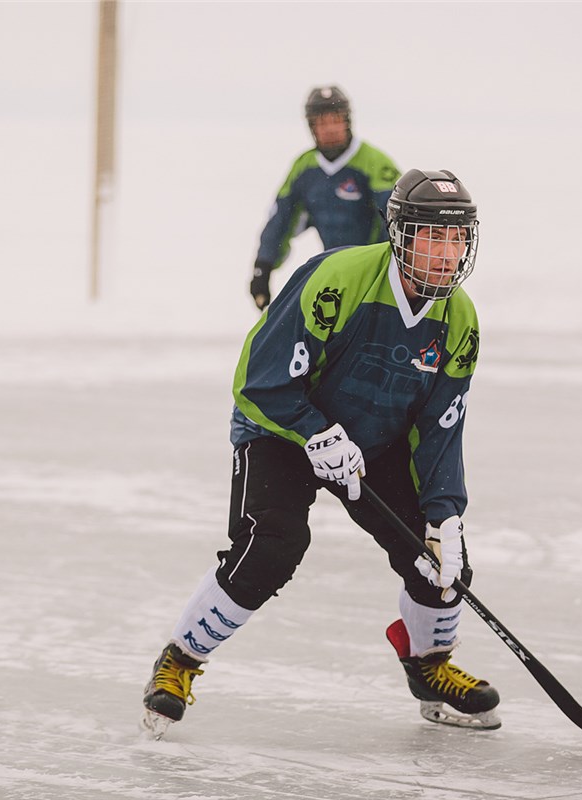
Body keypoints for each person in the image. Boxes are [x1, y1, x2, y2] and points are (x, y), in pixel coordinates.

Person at [144, 169, 499, 739]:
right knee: (272, 546)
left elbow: (441, 428)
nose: (447, 253)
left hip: (372, 444)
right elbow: (260, 378)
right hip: (282, 430)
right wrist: (315, 431)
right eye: (434, 236)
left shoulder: (459, 319)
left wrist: (445, 511)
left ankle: (429, 667)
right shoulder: (339, 277)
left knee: (437, 560)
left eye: (458, 239)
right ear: (401, 234)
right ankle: (180, 660)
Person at [248, 85, 400, 310]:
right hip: (335, 272)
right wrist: (263, 267)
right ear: (311, 127)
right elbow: (280, 220)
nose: (330, 128)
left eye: (335, 120)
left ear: (347, 121)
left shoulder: (375, 162)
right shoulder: (304, 168)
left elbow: (398, 218)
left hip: (379, 273)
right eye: (322, 122)